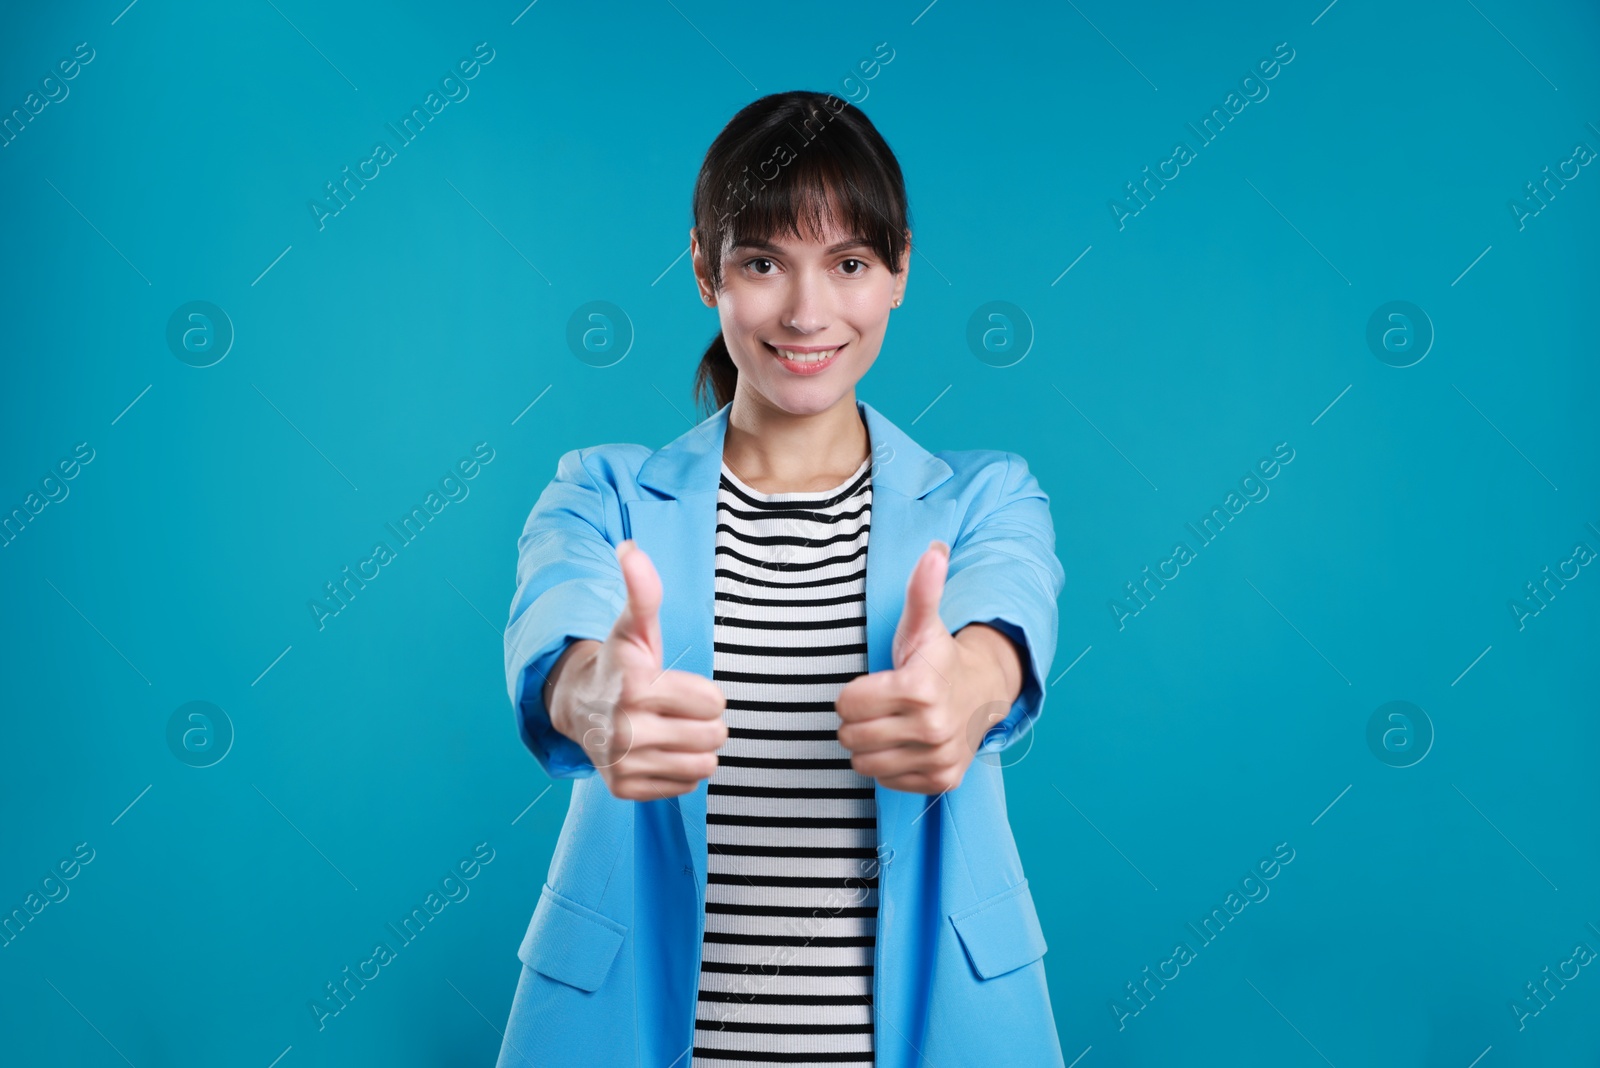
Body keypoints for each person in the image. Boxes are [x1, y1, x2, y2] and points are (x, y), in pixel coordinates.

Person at [497, 90, 1068, 1068]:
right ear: (703, 270)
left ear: (898, 274)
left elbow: (1004, 621)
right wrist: (598, 699)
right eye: (762, 262)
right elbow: (561, 627)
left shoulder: (985, 498)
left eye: (847, 264)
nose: (806, 313)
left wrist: (964, 693)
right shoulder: (601, 491)